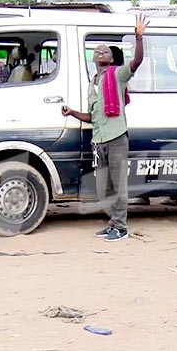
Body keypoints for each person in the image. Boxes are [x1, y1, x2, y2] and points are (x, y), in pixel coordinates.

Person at [62, 14, 148, 242]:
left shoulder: (117, 75)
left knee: (119, 187)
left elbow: (137, 62)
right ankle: (112, 222)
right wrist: (72, 113)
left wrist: (139, 38)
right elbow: (93, 116)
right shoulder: (93, 83)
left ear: (111, 59)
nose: (101, 51)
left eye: (105, 51)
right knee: (103, 188)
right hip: (99, 141)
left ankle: (120, 227)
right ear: (92, 58)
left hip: (117, 137)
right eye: (97, 50)